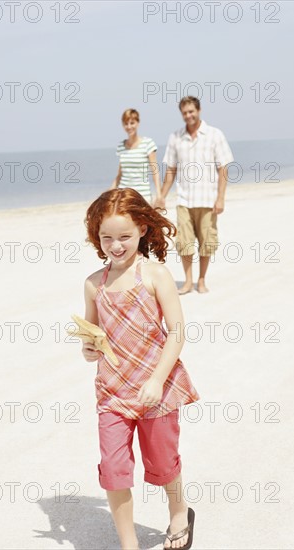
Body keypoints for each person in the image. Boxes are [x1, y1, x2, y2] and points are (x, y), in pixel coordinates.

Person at [82, 188, 199, 550]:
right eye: (106, 238)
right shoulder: (93, 284)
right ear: (96, 237)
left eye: (124, 237)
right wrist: (88, 348)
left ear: (143, 231)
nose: (115, 245)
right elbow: (93, 336)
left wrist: (157, 379)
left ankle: (179, 511)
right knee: (114, 470)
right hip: (112, 392)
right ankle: (129, 544)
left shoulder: (155, 274)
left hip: (157, 390)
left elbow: (177, 333)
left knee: (163, 462)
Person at [156, 96, 234, 294]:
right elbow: (171, 171)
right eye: (184, 113)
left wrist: (221, 197)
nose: (188, 115)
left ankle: (201, 280)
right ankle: (188, 281)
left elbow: (223, 168)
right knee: (184, 243)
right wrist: (162, 196)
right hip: (184, 200)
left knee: (207, 242)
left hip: (208, 200)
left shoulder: (215, 135)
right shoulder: (175, 137)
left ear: (199, 110)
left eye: (191, 111)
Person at [111, 108, 162, 206]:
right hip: (123, 196)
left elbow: (155, 171)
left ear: (138, 123)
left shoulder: (148, 143)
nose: (129, 126)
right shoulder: (121, 146)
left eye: (132, 123)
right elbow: (119, 175)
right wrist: (107, 193)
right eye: (126, 123)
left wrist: (159, 195)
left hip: (143, 196)